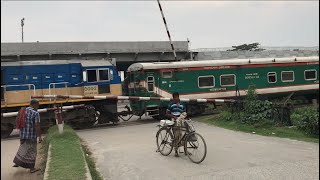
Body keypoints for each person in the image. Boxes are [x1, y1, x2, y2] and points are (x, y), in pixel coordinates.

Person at [13, 99, 42, 173]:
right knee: (32, 151)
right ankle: (32, 169)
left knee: (23, 148)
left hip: (22, 134)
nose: (38, 107)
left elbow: (18, 121)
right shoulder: (35, 113)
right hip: (31, 136)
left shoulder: (22, 110)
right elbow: (37, 125)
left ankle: (17, 162)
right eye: (38, 105)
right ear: (35, 104)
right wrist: (39, 136)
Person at [166, 92, 186, 157]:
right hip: (174, 120)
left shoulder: (182, 104)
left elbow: (184, 112)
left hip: (181, 119)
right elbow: (167, 113)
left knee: (184, 135)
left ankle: (185, 150)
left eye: (177, 97)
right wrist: (174, 117)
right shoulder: (171, 104)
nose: (176, 98)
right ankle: (176, 151)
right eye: (175, 97)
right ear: (173, 98)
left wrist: (184, 116)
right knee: (176, 135)